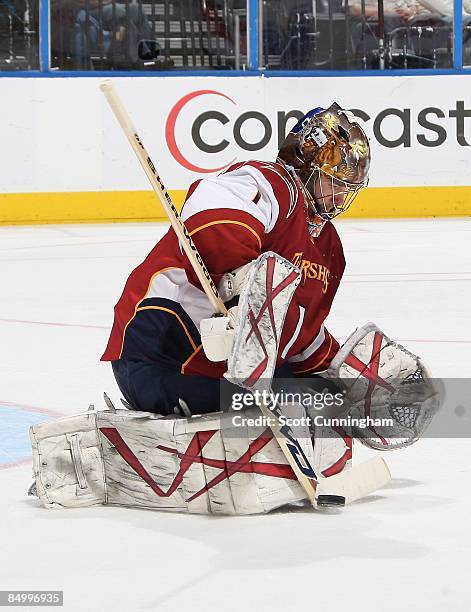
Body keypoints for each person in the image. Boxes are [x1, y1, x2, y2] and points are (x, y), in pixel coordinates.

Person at [102, 103, 371, 417]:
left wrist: (346, 375)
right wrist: (243, 293)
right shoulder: (274, 185)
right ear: (304, 165)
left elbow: (302, 339)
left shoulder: (329, 250)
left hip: (221, 373)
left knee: (329, 396)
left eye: (346, 189)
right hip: (162, 356)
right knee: (294, 398)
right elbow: (211, 219)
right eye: (333, 184)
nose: (339, 198)